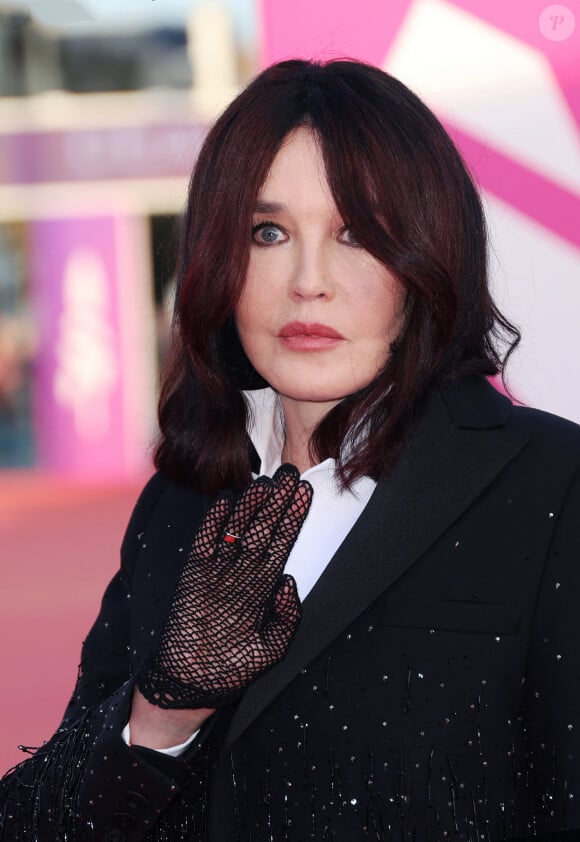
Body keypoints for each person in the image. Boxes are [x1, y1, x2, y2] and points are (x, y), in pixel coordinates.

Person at [1, 58, 579, 842]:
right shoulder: (180, 502)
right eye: (267, 233)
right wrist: (162, 714)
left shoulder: (551, 485)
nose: (309, 282)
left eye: (356, 234)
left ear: (427, 257)